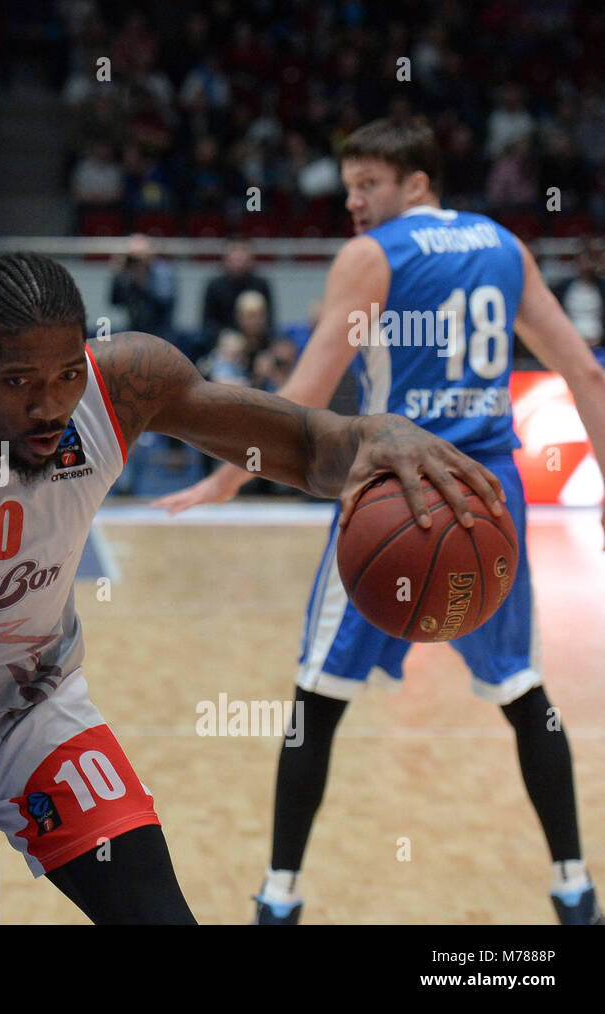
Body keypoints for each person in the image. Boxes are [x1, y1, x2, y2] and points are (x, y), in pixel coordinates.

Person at [0, 251, 506, 925]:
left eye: (64, 375)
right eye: (20, 382)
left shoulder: (120, 387)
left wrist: (372, 436)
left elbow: (299, 445)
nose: (50, 405)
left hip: (34, 706)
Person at [156, 118, 605, 925]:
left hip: (393, 487)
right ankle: (575, 892)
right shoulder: (506, 246)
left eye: (369, 184)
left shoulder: (374, 256)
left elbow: (301, 396)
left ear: (417, 185)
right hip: (489, 496)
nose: (353, 201)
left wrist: (231, 476)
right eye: (349, 184)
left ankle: (279, 898)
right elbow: (584, 372)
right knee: (524, 693)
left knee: (317, 700)